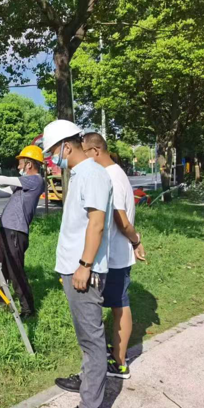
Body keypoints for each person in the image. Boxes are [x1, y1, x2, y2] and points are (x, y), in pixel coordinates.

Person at [42, 120, 113, 408]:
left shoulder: (93, 175)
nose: (51, 159)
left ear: (66, 147)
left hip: (84, 269)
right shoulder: (81, 174)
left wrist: (84, 266)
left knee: (92, 340)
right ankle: (87, 382)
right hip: (74, 268)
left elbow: (96, 224)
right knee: (86, 336)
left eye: (52, 152)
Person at [82, 133, 147, 380]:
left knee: (120, 305)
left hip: (115, 256)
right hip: (115, 254)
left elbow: (122, 220)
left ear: (95, 151)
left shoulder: (110, 176)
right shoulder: (115, 173)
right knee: (117, 304)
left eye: (85, 153)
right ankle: (113, 354)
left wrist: (135, 240)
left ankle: (119, 363)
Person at [0, 145, 45, 318]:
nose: (18, 167)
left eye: (20, 163)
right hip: (6, 229)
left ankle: (28, 309)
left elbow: (6, 179)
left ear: (29, 164)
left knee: (15, 270)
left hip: (16, 231)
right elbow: (2, 192)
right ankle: (0, 298)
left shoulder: (36, 180)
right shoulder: (23, 184)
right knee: (0, 265)